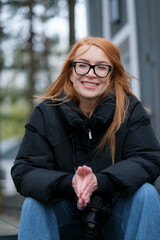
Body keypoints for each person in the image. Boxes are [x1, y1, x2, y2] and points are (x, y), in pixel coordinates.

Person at [11, 36, 160, 240]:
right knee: (34, 203)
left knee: (147, 194)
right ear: (71, 72)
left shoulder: (129, 110)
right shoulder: (46, 114)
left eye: (101, 67)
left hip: (114, 214)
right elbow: (25, 171)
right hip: (66, 214)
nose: (91, 74)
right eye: (82, 65)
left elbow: (148, 159)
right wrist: (70, 182)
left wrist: (98, 181)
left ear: (112, 75)